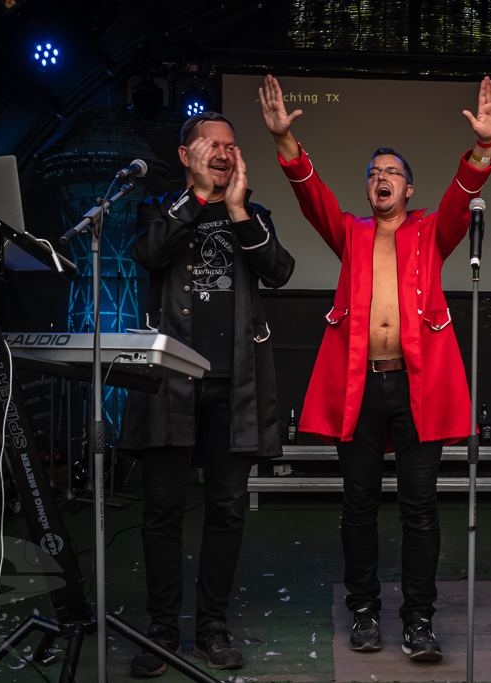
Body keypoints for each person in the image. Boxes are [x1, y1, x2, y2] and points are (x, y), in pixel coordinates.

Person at [258, 73, 491, 662]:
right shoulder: (351, 232)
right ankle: (364, 611)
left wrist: (484, 146)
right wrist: (286, 142)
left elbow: (461, 195)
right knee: (358, 506)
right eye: (372, 173)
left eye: (390, 172)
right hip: (361, 387)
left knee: (420, 509)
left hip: (418, 388)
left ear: (408, 187)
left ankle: (419, 620)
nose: (380, 178)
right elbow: (312, 198)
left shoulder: (431, 231)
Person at [119, 111, 295, 676]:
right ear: (185, 155)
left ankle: (213, 629)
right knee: (162, 512)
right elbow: (149, 254)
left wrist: (238, 211)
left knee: (226, 511)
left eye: (231, 146)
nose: (223, 153)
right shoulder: (158, 209)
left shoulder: (253, 214)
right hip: (169, 383)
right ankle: (162, 630)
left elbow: (279, 270)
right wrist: (196, 198)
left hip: (234, 386)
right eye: (210, 145)